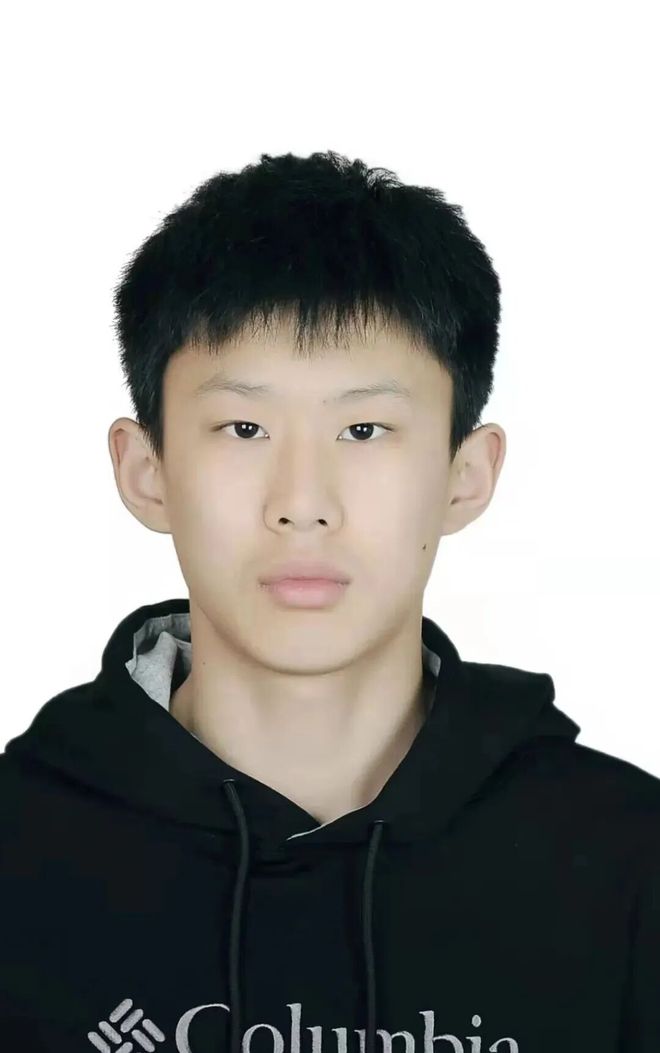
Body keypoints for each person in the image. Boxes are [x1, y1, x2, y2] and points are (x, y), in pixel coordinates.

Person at [1, 150, 658, 1053]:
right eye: (244, 427)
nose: (302, 501)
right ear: (147, 471)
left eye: (363, 428)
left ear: (466, 475)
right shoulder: (19, 851)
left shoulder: (630, 864)